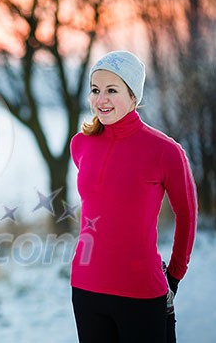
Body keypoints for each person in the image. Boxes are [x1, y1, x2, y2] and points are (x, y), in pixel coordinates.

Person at [70, 50, 198, 343]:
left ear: (133, 96)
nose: (101, 99)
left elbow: (187, 214)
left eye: (112, 90)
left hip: (141, 291)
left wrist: (175, 274)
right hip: (86, 288)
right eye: (95, 90)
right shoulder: (81, 144)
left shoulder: (166, 151)